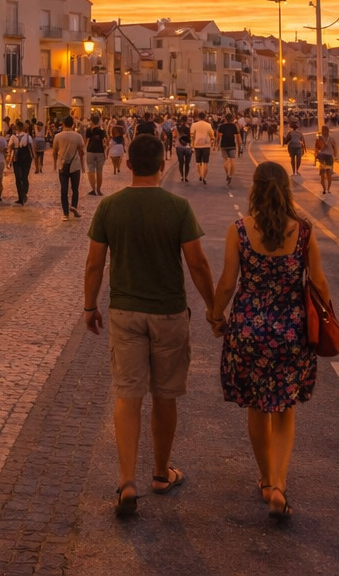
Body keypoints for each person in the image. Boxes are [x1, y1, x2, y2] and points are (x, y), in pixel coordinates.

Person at [83, 134, 217, 518]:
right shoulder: (178, 207)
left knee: (127, 395)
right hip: (169, 313)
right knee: (164, 395)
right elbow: (198, 264)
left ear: (128, 165)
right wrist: (212, 309)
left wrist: (90, 306)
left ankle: (127, 481)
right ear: (163, 163)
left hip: (125, 312)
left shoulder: (110, 207)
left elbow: (94, 263)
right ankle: (160, 473)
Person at [209, 161, 329, 522]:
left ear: (255, 190)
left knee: (256, 408)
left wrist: (216, 316)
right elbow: (320, 283)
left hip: (248, 329)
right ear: (286, 191)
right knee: (284, 410)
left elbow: (228, 282)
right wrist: (326, 318)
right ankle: (279, 483)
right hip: (291, 330)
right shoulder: (304, 232)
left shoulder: (240, 231)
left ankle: (263, 479)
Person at [52, 117, 86, 221]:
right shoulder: (78, 136)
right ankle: (74, 206)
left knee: (64, 190)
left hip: (62, 166)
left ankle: (65, 214)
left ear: (63, 124)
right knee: (75, 189)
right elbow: (82, 151)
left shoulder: (58, 136)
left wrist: (54, 164)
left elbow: (54, 151)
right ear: (72, 124)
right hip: (75, 166)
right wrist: (83, 166)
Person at [8, 122, 34, 205]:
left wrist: (9, 159)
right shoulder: (28, 136)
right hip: (26, 157)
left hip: (16, 157)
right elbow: (32, 148)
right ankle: (24, 193)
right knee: (24, 176)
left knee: (18, 177)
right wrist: (34, 159)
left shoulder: (13, 137)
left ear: (16, 128)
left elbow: (9, 147)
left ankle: (20, 197)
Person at [84, 117, 108, 196]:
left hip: (90, 151)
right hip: (100, 152)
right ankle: (99, 190)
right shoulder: (102, 131)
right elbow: (106, 141)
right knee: (99, 171)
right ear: (99, 122)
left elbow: (85, 141)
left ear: (91, 121)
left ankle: (93, 189)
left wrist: (84, 149)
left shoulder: (89, 130)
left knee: (91, 171)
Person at [189, 113, 215, 185]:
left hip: (197, 146)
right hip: (206, 145)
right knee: (205, 163)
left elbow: (192, 136)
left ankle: (200, 174)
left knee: (198, 162)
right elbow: (212, 135)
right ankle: (204, 177)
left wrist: (192, 145)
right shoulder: (208, 125)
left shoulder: (194, 125)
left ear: (198, 117)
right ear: (205, 117)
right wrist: (212, 142)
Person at [217, 114, 241, 185]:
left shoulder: (221, 126)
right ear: (232, 119)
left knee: (226, 160)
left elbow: (218, 136)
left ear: (225, 118)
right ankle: (231, 175)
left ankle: (227, 173)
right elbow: (238, 137)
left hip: (224, 145)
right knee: (232, 161)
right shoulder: (234, 126)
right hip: (232, 145)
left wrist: (217, 144)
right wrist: (239, 145)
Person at [315, 127, 339, 194]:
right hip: (329, 157)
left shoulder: (319, 138)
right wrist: (335, 155)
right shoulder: (331, 138)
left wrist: (315, 158)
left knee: (323, 174)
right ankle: (328, 189)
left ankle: (325, 189)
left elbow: (316, 148)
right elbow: (335, 148)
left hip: (322, 157)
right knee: (328, 174)